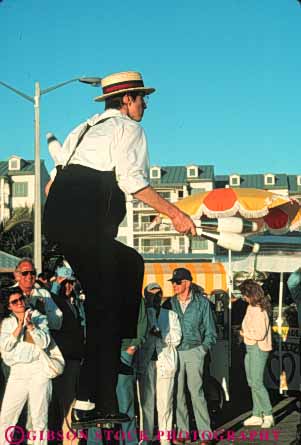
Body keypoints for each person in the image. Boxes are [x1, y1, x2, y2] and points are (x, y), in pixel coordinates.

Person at [43, 70, 196, 427]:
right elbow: (132, 181)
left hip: (62, 221)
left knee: (128, 264)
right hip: (84, 223)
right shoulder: (128, 129)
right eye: (142, 97)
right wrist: (175, 214)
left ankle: (93, 387)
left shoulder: (83, 129)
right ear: (127, 100)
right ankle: (98, 393)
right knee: (106, 307)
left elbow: (52, 188)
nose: (146, 104)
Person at [164, 268, 217, 445]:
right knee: (177, 394)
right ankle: (183, 432)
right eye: (173, 282)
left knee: (197, 393)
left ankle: (206, 434)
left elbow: (211, 332)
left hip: (195, 351)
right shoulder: (169, 304)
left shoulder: (202, 303)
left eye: (177, 282)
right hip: (175, 352)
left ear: (187, 282)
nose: (174, 285)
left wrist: (202, 350)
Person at [87, 298, 147, 445]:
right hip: (100, 352)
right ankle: (94, 442)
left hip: (123, 352)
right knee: (97, 400)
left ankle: (130, 441)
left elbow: (142, 323)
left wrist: (133, 347)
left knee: (125, 400)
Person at [0, 287, 52, 445]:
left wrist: (30, 326)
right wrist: (19, 327)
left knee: (39, 418)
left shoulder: (39, 318)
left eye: (21, 299)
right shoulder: (7, 323)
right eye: (14, 302)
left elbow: (44, 343)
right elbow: (5, 347)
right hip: (17, 372)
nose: (19, 303)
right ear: (9, 306)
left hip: (38, 370)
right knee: (7, 417)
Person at [136, 283, 181, 445]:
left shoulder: (171, 315)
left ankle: (165, 438)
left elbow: (176, 339)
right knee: (146, 403)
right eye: (151, 295)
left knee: (165, 403)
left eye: (158, 294)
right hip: (146, 363)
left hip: (165, 362)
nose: (155, 298)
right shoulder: (141, 315)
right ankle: (146, 437)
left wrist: (160, 334)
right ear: (146, 297)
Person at [48, 267, 85, 440]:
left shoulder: (74, 302)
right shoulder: (55, 302)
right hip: (62, 358)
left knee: (70, 401)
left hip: (74, 357)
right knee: (61, 401)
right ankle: (65, 437)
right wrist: (57, 284)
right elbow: (52, 297)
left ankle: (69, 438)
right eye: (65, 283)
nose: (69, 286)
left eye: (71, 283)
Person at [239, 279, 274, 428]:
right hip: (251, 347)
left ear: (250, 294)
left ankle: (268, 414)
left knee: (257, 383)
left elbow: (259, 334)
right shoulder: (251, 308)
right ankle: (257, 413)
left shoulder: (260, 310)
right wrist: (245, 333)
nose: (243, 298)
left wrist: (244, 333)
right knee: (252, 382)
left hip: (258, 349)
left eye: (244, 295)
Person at [13, 258, 62, 331]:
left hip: (42, 339)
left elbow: (57, 324)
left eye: (32, 273)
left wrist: (43, 312)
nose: (29, 276)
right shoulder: (8, 294)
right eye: (25, 273)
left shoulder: (44, 294)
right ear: (17, 275)